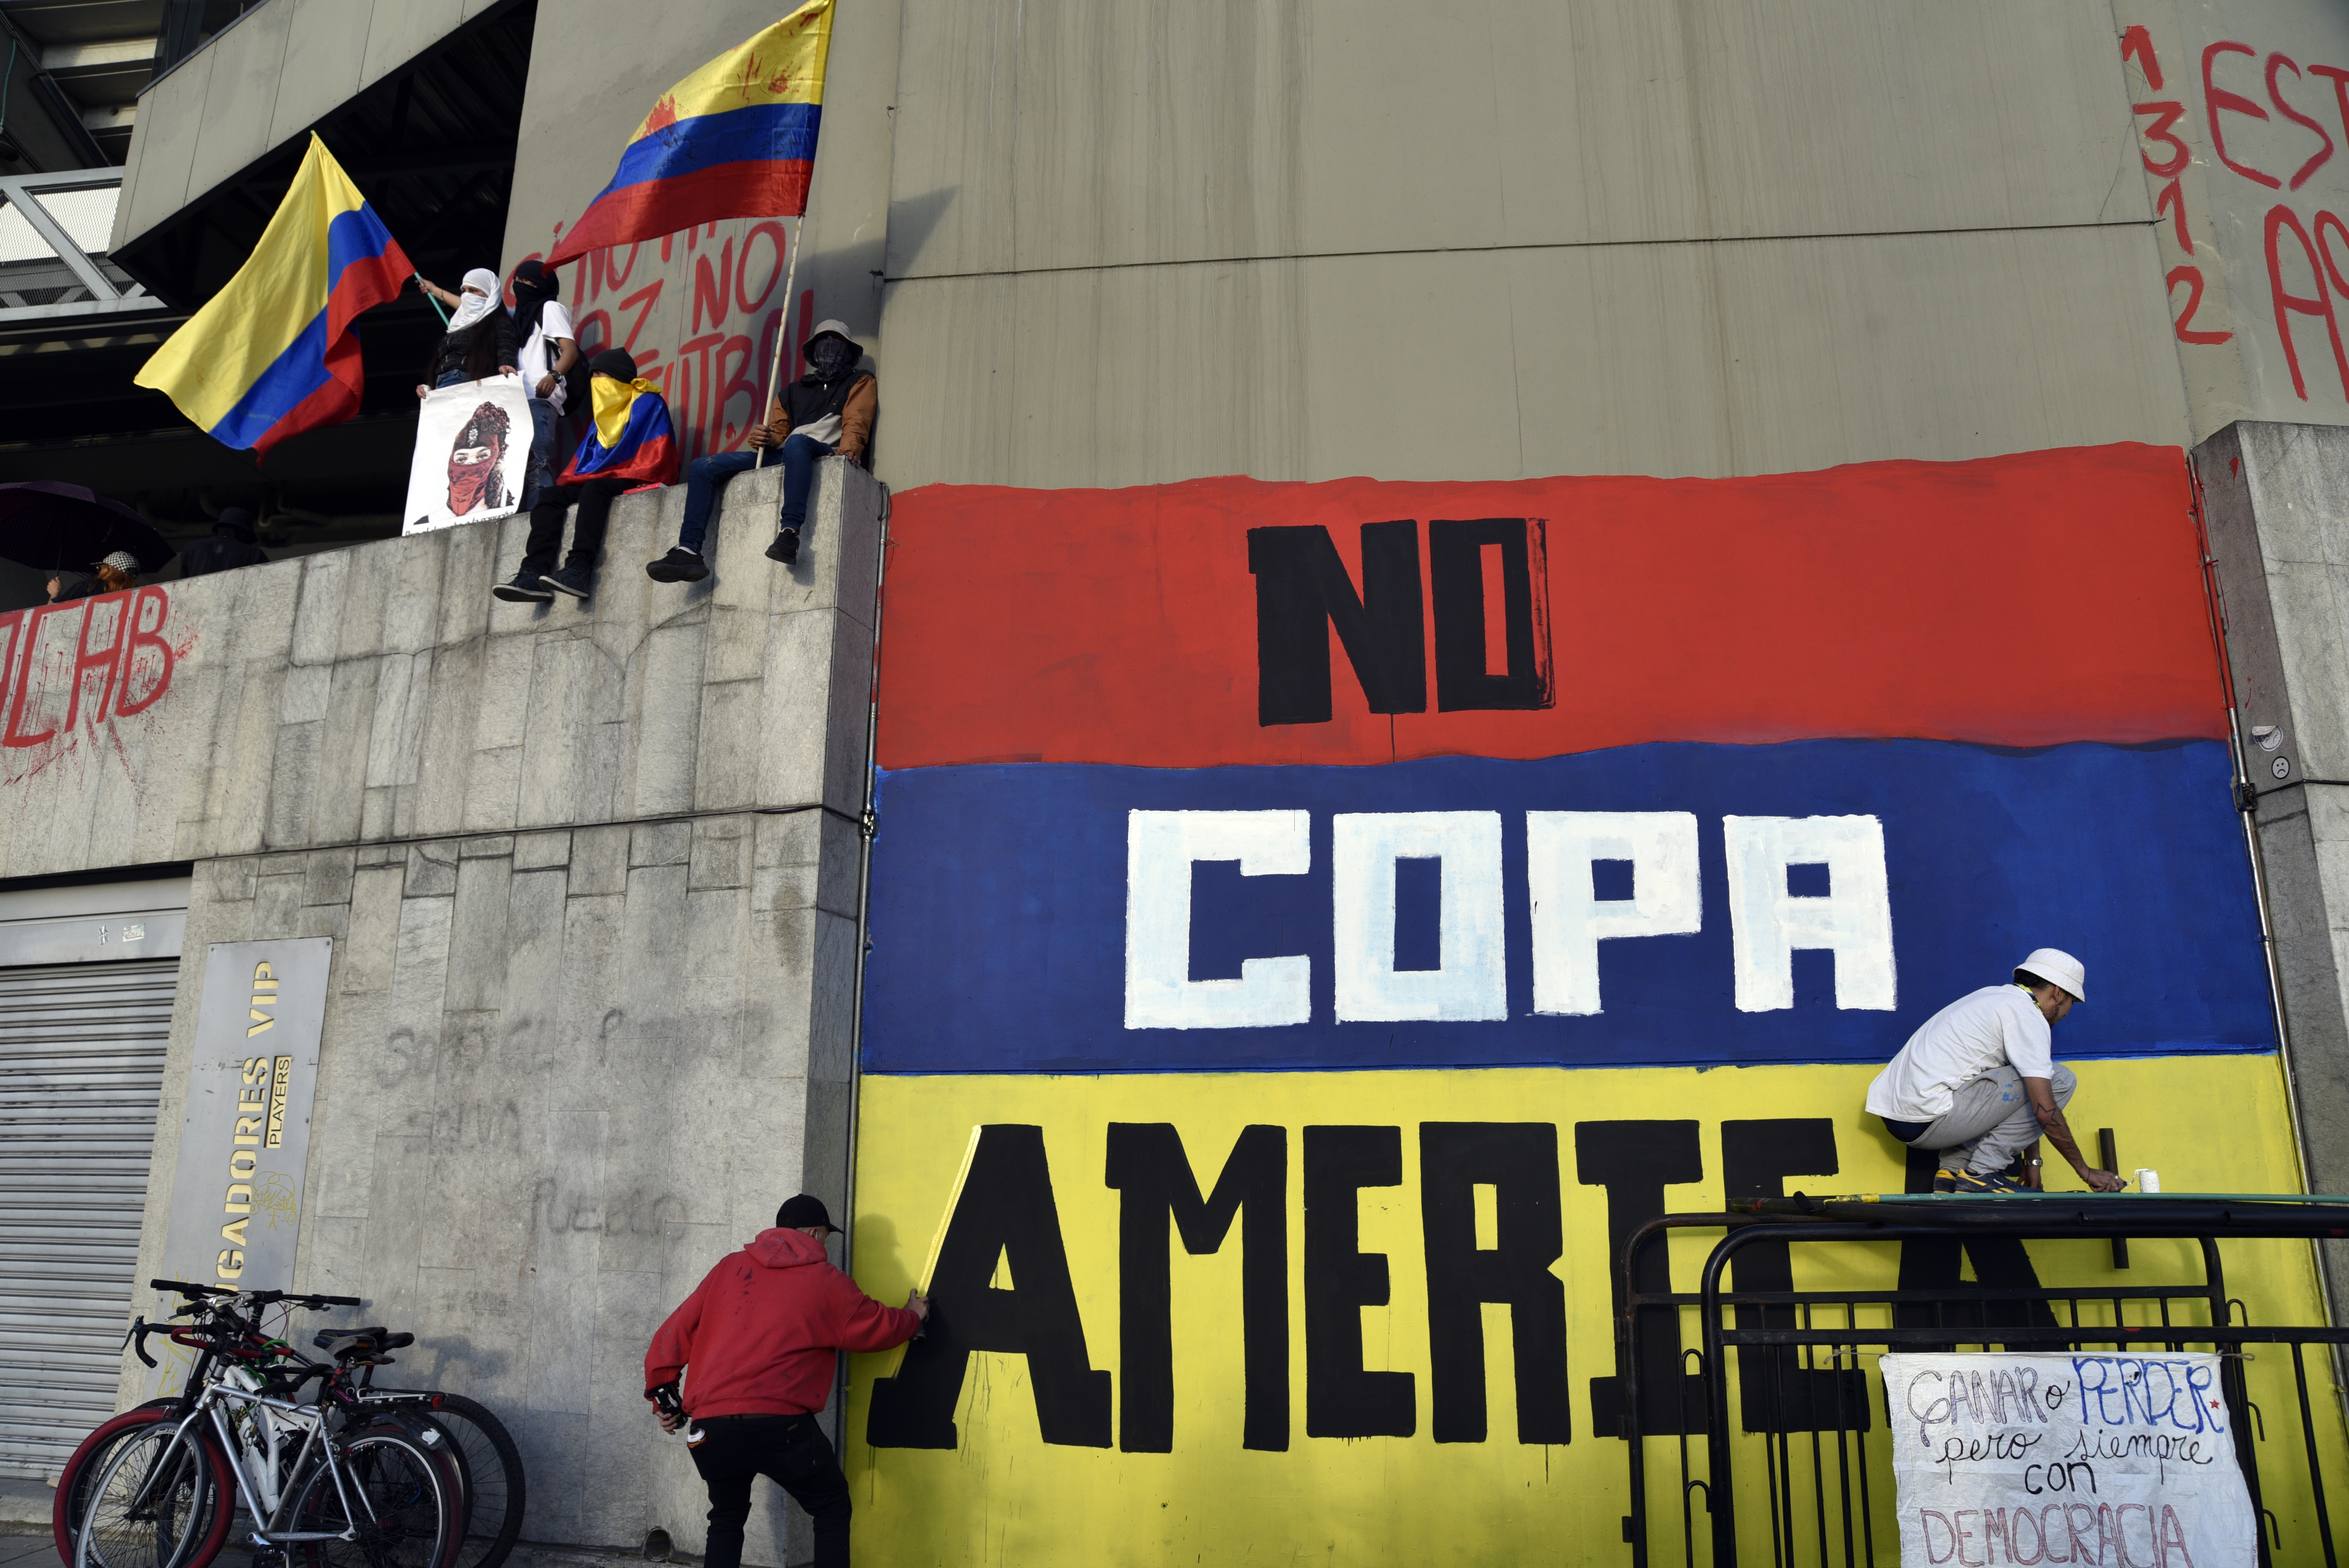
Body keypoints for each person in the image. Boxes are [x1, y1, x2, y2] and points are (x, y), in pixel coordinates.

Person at [645, 1194, 926, 1568]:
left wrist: (665, 1403)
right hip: (781, 1427)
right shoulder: (824, 1280)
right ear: (813, 1232)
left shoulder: (729, 1268)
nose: (824, 1245)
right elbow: (872, 1326)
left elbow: (672, 1335)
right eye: (825, 1236)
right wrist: (913, 1317)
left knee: (726, 1518)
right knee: (830, 1505)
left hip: (712, 1428)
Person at [1865, 948, 2126, 1194]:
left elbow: (2021, 1092)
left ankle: (1952, 1172)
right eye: (2072, 1001)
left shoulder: (1992, 997)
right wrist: (2085, 1172)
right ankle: (1980, 1173)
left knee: (1994, 1077)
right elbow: (2044, 1108)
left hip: (1900, 1118)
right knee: (2062, 1080)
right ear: (2058, 993)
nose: (2068, 1012)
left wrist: (2032, 1160)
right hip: (1927, 1119)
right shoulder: (2027, 1016)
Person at [644, 319, 875, 582]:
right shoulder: (792, 392)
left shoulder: (861, 380)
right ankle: (688, 549)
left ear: (848, 351)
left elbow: (858, 419)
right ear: (814, 351)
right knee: (702, 466)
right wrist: (762, 438)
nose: (830, 348)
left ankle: (790, 533)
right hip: (789, 453)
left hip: (825, 451)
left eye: (837, 342)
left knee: (799, 442)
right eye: (824, 341)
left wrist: (849, 451)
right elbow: (779, 433)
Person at [494, 347, 677, 604]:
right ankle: (532, 573)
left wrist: (614, 471)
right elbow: (586, 461)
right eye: (593, 376)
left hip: (637, 475)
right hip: (602, 478)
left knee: (594, 490)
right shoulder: (602, 416)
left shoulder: (648, 402)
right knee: (550, 496)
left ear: (617, 377)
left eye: (600, 375)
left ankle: (579, 569)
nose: (595, 382)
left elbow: (655, 451)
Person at [508, 258, 578, 511]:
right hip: (514, 400)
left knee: (538, 462)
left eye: (528, 282)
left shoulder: (549, 308)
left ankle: (541, 516)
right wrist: (436, 291)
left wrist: (554, 376)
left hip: (539, 396)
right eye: (518, 280)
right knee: (511, 467)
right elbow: (475, 308)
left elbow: (570, 351)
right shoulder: (515, 317)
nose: (521, 286)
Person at [413, 268, 516, 396]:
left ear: (490, 293)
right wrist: (430, 388)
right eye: (464, 291)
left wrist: (506, 364)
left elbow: (505, 344)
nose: (467, 295)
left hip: (468, 384)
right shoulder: (458, 322)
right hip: (443, 385)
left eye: (473, 291)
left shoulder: (498, 320)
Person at [446, 401, 513, 518]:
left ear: (495, 459)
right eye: (462, 459)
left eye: (482, 457)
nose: (471, 463)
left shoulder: (505, 507)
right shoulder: (426, 523)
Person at [177, 508, 270, 578]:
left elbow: (182, 587)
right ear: (243, 534)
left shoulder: (191, 549)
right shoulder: (254, 554)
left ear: (218, 530)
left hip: (198, 602)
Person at [47, 549, 139, 601]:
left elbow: (52, 613)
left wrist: (55, 592)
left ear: (110, 569)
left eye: (101, 569)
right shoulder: (135, 599)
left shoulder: (91, 586)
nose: (99, 572)